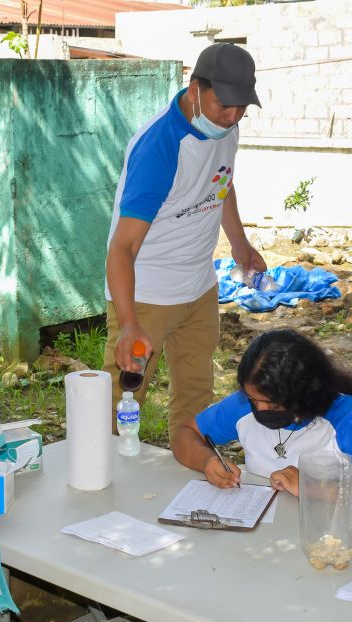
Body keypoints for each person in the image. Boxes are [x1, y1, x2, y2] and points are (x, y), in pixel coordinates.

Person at [104, 42, 267, 439]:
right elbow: (121, 249)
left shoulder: (226, 128)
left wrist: (240, 245)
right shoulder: (160, 148)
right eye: (223, 106)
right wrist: (129, 323)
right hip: (148, 296)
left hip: (200, 286)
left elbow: (219, 184)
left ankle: (190, 476)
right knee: (120, 403)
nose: (231, 117)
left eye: (240, 108)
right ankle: (100, 483)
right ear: (195, 89)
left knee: (196, 397)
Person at [170, 329, 352, 510]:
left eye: (270, 403)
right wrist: (207, 461)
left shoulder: (345, 416)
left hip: (328, 533)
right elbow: (185, 435)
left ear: (303, 394)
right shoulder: (245, 403)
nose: (259, 408)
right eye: (253, 399)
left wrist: (314, 488)